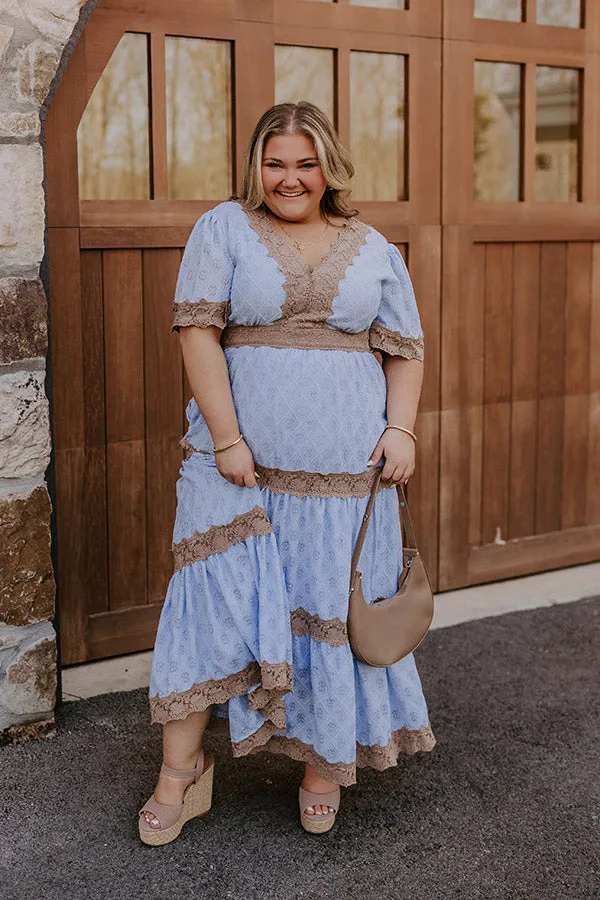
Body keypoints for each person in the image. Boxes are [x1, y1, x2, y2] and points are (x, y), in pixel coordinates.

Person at [139, 101, 435, 844]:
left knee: (329, 609)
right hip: (238, 470)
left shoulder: (372, 245)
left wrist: (401, 428)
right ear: (256, 167)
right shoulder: (223, 228)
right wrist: (229, 438)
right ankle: (182, 776)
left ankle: (321, 766)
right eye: (276, 163)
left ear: (329, 166)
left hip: (346, 478)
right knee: (213, 608)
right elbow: (198, 333)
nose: (290, 178)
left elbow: (405, 347)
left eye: (306, 163)